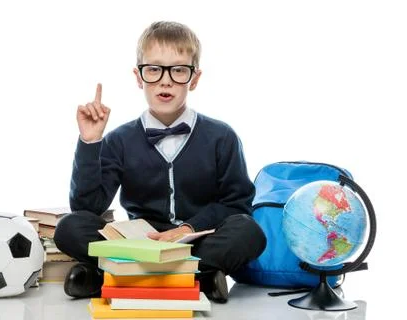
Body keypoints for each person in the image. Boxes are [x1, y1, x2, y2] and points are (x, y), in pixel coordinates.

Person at [54, 21, 266, 303]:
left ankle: (115, 278)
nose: (165, 80)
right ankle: (195, 279)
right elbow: (87, 207)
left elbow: (237, 203)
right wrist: (91, 143)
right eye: (154, 69)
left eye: (178, 70)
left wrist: (187, 229)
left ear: (195, 78)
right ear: (139, 77)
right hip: (139, 244)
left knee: (249, 231)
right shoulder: (119, 140)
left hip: (196, 241)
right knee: (70, 226)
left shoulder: (222, 137)